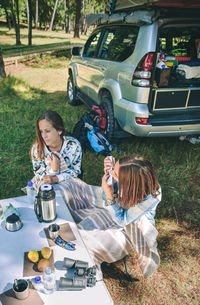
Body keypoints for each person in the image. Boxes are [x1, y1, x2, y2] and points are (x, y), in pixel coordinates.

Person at [58, 154, 161, 278]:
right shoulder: (130, 182)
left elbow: (123, 220)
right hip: (117, 207)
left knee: (90, 241)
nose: (112, 173)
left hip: (133, 224)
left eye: (115, 174)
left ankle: (87, 271)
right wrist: (110, 174)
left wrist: (109, 196)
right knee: (71, 188)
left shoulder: (150, 199)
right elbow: (109, 192)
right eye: (114, 169)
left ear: (129, 183)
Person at [30, 110, 82, 191]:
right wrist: (53, 170)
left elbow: (75, 171)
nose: (44, 136)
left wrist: (56, 178)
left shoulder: (73, 146)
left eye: (47, 131)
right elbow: (39, 175)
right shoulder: (37, 149)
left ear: (59, 130)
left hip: (68, 182)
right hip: (45, 185)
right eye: (41, 131)